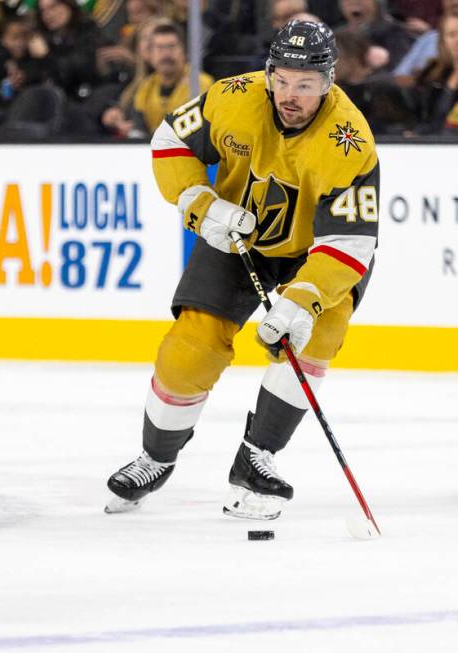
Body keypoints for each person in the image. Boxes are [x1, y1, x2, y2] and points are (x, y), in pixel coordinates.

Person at [105, 20, 379, 521]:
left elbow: (350, 242)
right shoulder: (233, 96)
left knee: (316, 335)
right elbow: (170, 140)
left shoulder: (349, 141)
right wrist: (198, 200)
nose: (289, 94)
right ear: (269, 72)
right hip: (236, 234)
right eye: (282, 79)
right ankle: (156, 457)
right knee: (193, 345)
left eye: (306, 84)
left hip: (316, 254)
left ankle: (258, 457)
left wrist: (300, 303)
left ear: (329, 81)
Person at [100, 21, 212, 137]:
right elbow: (138, 131)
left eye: (171, 46)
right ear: (150, 54)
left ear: (184, 51)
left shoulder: (201, 84)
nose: (166, 54)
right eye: (160, 48)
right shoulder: (145, 88)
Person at [412, 12, 458, 135]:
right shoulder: (432, 73)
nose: (457, 39)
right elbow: (425, 119)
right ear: (443, 40)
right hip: (434, 148)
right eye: (451, 35)